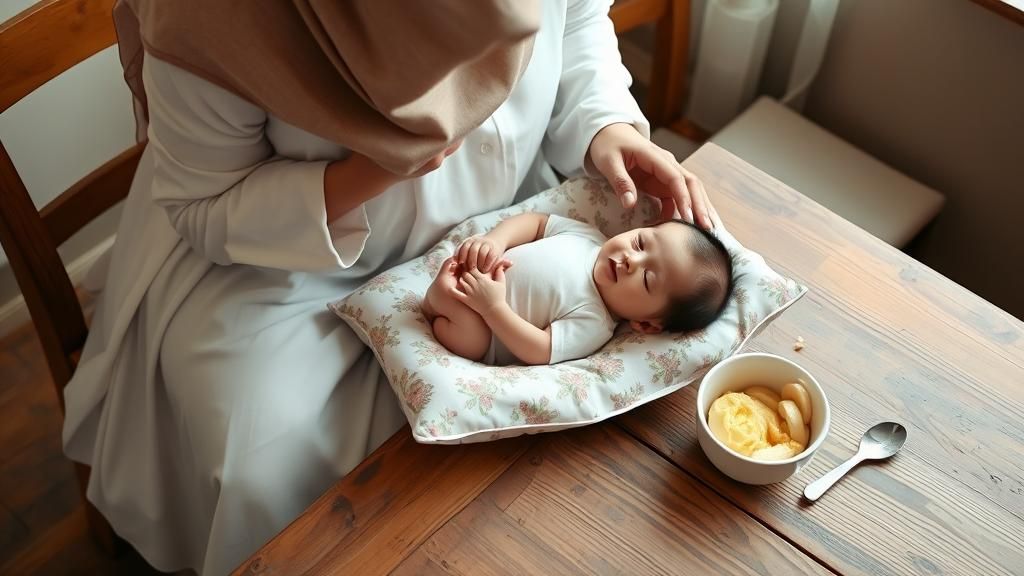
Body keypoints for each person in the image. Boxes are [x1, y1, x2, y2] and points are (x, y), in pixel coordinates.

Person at [62, 1, 718, 573]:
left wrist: (605, 125)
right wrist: (372, 171)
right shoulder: (211, 17)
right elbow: (208, 207)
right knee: (275, 472)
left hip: (510, 213)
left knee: (542, 496)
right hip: (287, 272)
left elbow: (577, 19)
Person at [423, 213, 733, 365]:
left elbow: (539, 349)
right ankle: (441, 294)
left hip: (482, 330)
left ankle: (441, 302)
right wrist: (496, 240)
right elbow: (536, 223)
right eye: (640, 242)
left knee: (471, 337)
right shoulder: (587, 237)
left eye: (648, 279)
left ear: (646, 324)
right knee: (466, 255)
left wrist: (493, 309)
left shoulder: (594, 322)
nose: (631, 261)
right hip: (476, 272)